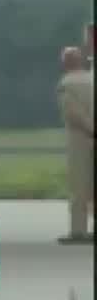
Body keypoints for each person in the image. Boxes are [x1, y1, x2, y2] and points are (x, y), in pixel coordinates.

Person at [57, 46, 94, 243]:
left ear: (67, 62)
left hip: (80, 138)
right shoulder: (91, 79)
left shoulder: (67, 83)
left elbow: (73, 113)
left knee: (78, 185)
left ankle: (78, 231)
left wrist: (90, 128)